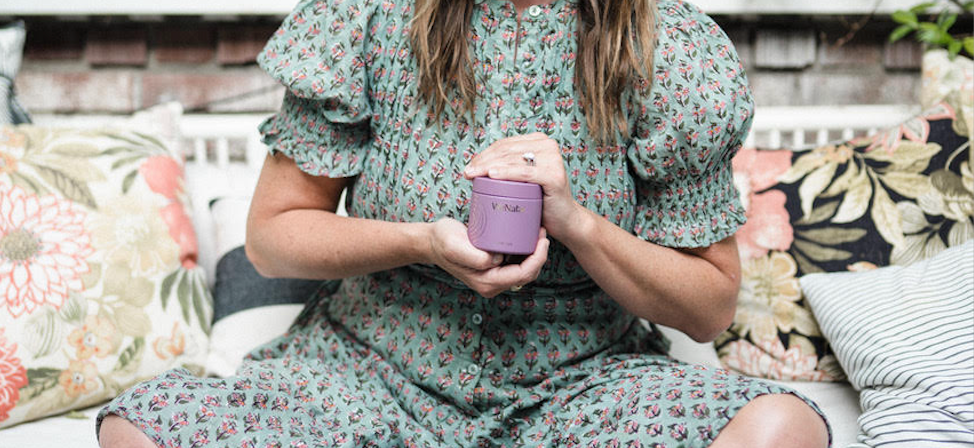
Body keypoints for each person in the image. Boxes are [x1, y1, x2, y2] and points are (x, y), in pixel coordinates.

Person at [98, 0, 832, 446]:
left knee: (784, 430)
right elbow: (274, 235)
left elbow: (708, 308)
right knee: (143, 428)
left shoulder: (667, 47)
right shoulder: (372, 17)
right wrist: (420, 241)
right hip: (366, 372)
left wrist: (577, 223)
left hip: (580, 383)